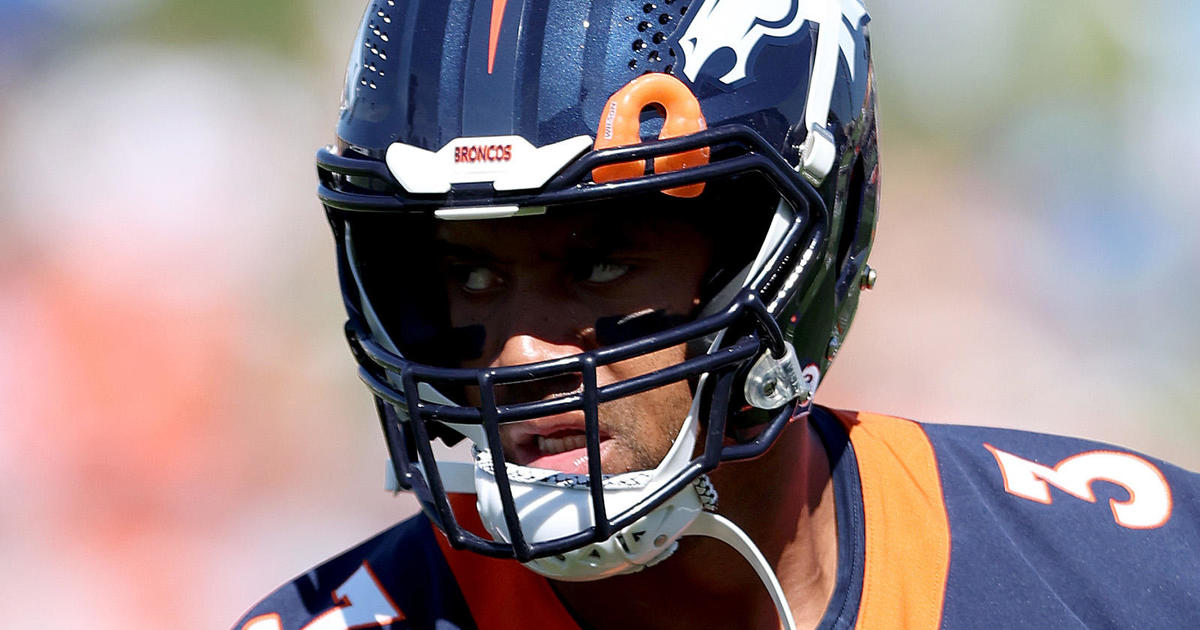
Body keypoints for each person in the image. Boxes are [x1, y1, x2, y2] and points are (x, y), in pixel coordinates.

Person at [235, 1, 1199, 628]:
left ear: (792, 250)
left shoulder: (1132, 573)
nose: (522, 354)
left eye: (602, 264)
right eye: (473, 277)